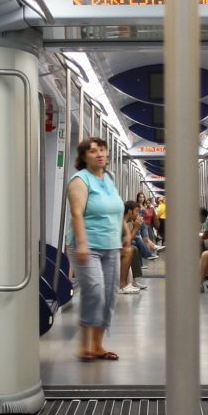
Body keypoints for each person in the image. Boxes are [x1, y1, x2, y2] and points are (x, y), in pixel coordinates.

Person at [66, 136, 124, 361]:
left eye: (102, 150)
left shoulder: (110, 177)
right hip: (87, 245)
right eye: (93, 151)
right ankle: (84, 344)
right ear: (83, 157)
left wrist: (126, 233)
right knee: (95, 291)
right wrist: (82, 243)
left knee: (109, 296)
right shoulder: (80, 180)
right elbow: (77, 213)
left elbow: (115, 208)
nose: (99, 154)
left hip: (111, 245)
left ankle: (98, 345)